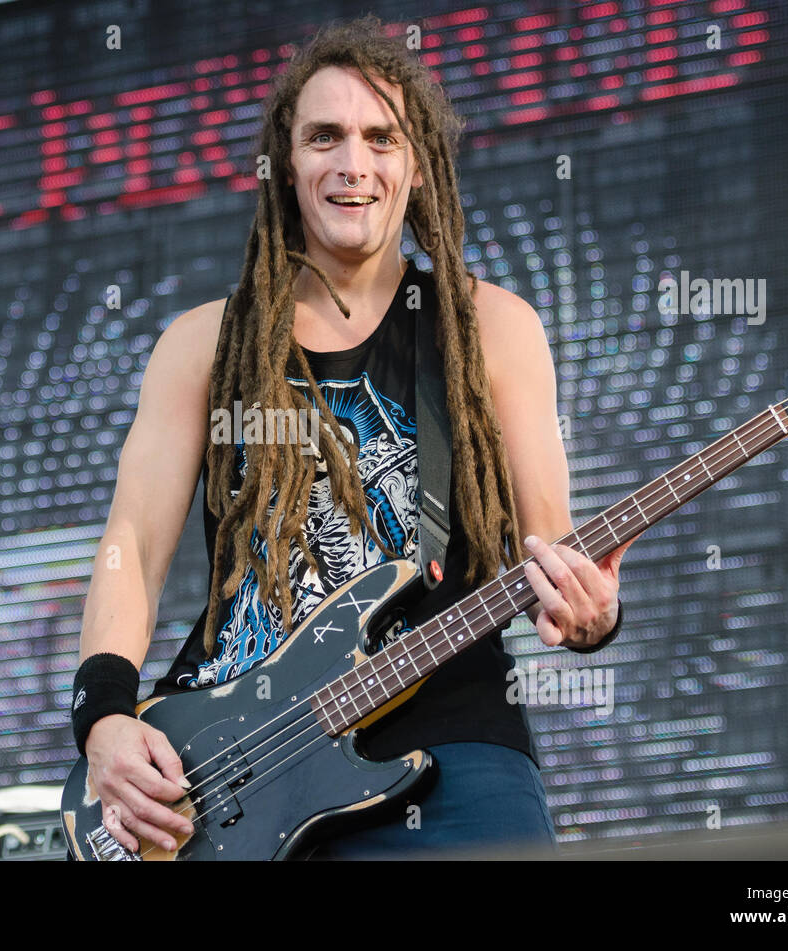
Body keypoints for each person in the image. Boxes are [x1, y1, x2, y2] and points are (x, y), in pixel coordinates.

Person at [68, 15, 630, 860]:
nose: (353, 163)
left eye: (382, 137)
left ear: (417, 167)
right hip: (233, 771)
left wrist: (592, 614)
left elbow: (551, 550)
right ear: (285, 165)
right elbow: (133, 545)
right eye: (324, 135)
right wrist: (106, 717)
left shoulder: (492, 328)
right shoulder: (203, 344)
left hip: (456, 749)